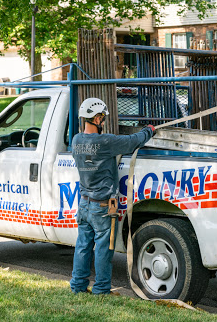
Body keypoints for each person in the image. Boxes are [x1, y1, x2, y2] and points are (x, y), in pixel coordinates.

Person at [70, 97, 155, 295]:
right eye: (102, 117)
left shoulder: (76, 140)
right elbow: (132, 142)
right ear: (97, 118)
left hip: (84, 203)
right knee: (102, 248)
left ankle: (78, 286)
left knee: (82, 246)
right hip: (102, 207)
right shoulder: (105, 142)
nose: (103, 121)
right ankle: (101, 289)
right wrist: (149, 130)